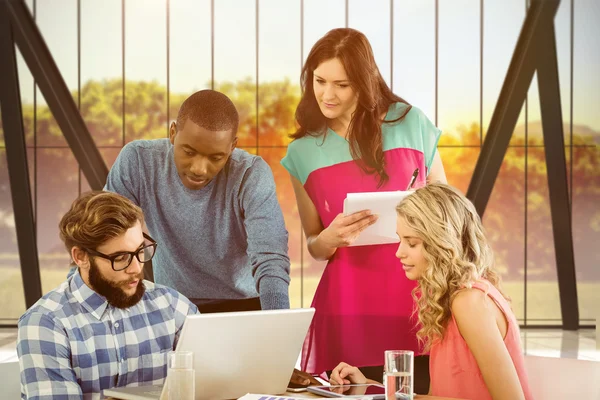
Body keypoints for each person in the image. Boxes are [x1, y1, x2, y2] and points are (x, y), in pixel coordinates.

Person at [281, 28, 446, 392]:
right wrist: (329, 237)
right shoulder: (302, 153)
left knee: (425, 391)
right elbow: (313, 244)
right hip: (349, 305)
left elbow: (447, 209)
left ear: (364, 81)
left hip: (419, 297)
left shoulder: (410, 122)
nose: (327, 94)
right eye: (319, 81)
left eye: (342, 84)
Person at [329, 183, 534, 400]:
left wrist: (402, 397)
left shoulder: (469, 302)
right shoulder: (450, 300)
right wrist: (366, 387)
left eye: (412, 243)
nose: (399, 253)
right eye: (401, 240)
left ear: (441, 243)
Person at [105, 89, 291, 312]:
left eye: (216, 157)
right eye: (189, 151)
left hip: (244, 305)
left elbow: (270, 259)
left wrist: (276, 324)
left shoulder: (250, 174)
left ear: (232, 147)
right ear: (173, 132)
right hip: (171, 304)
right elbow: (105, 234)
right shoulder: (138, 161)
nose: (199, 169)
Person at [17, 191, 198, 398]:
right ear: (81, 257)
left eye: (140, 250)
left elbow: (213, 386)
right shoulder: (46, 324)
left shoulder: (174, 307)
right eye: (120, 257)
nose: (137, 268)